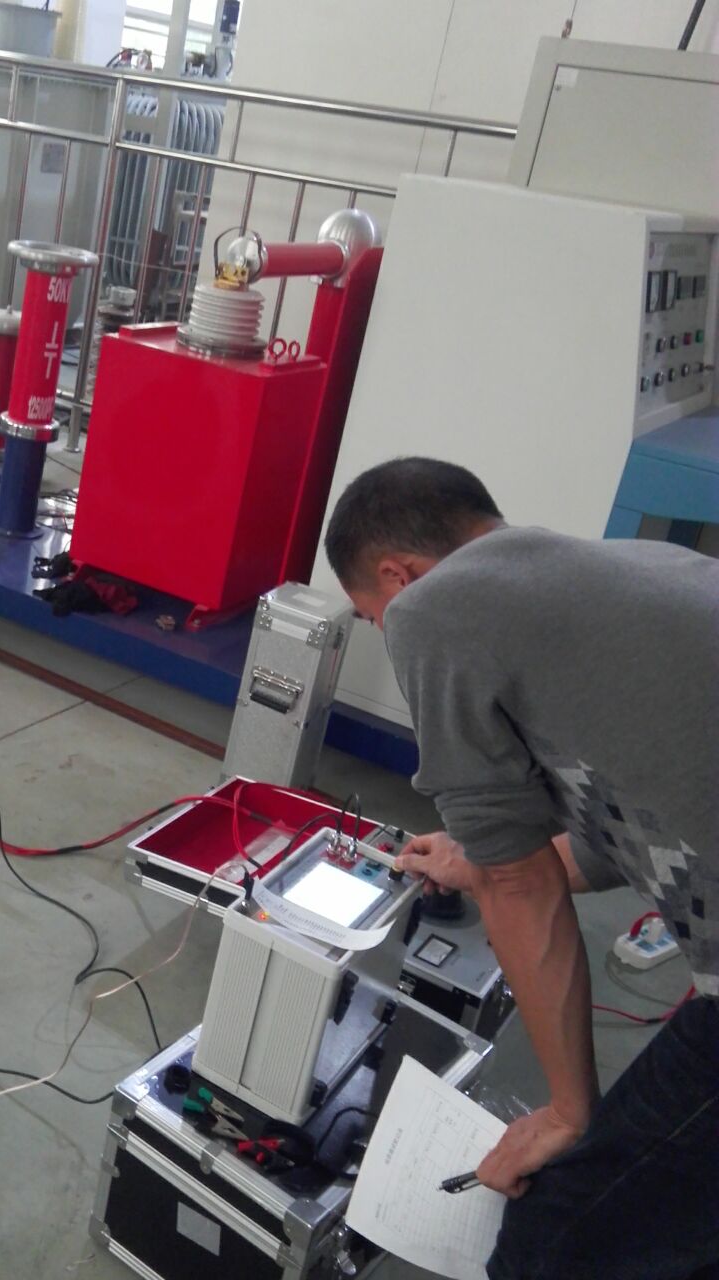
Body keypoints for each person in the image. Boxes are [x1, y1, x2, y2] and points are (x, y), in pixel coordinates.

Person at [322, 457, 719, 1280]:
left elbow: (521, 883)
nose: (390, 631)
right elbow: (656, 821)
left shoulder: (432, 610)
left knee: (557, 1239)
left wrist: (570, 1112)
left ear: (399, 576)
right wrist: (479, 860)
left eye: (372, 618)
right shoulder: (639, 572)